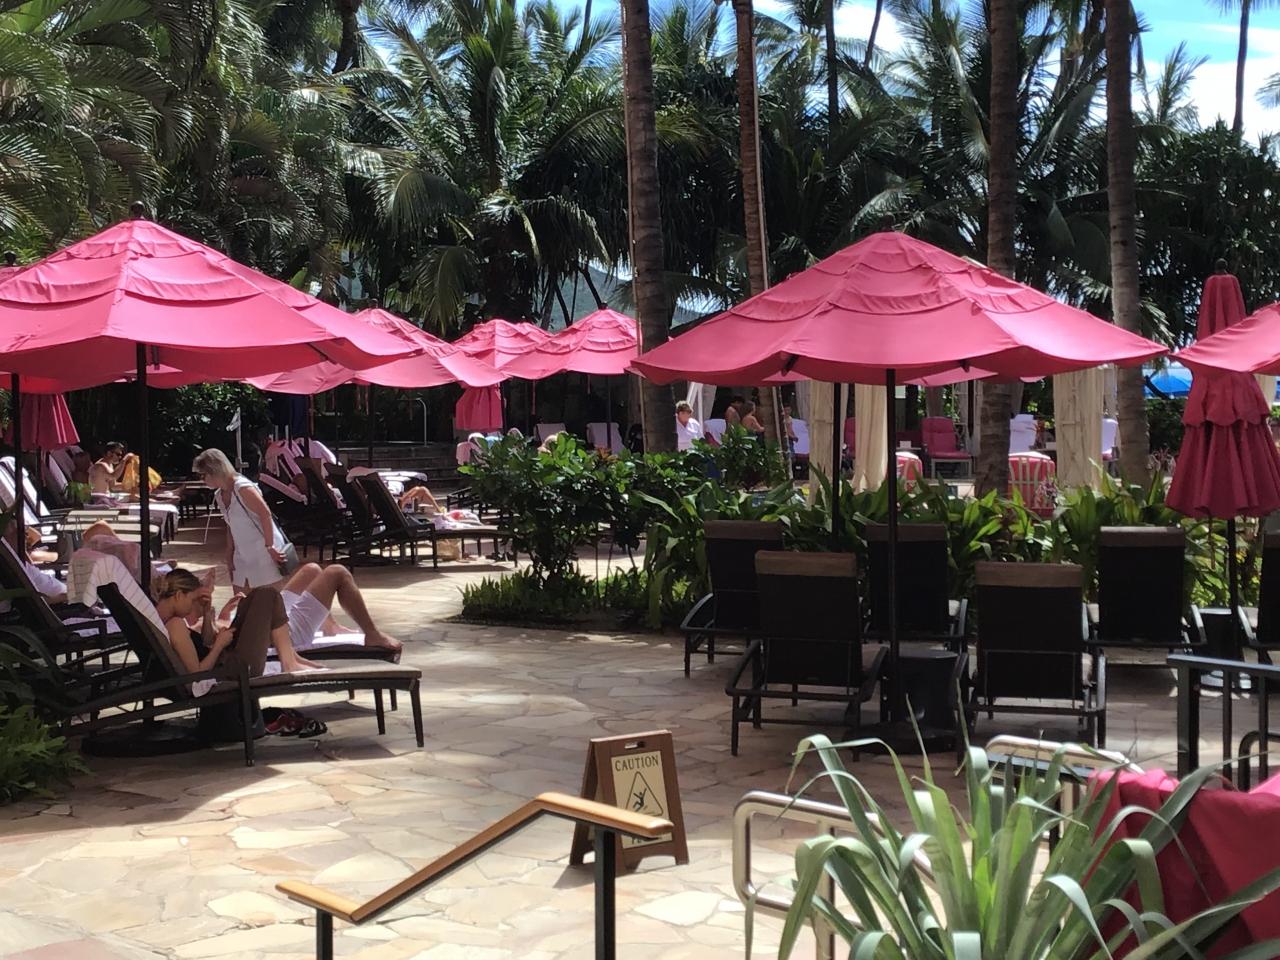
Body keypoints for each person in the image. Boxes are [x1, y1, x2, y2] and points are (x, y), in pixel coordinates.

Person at [152, 568, 323, 677]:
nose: (192, 607)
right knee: (267, 595)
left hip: (227, 661)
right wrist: (219, 645)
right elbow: (197, 674)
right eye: (192, 600)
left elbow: (204, 643)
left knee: (256, 596)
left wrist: (206, 612)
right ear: (178, 595)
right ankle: (289, 662)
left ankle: (290, 658)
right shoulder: (175, 625)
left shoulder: (164, 622)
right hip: (234, 671)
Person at [215, 562, 402, 657]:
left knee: (311, 570)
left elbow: (219, 630)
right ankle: (372, 634)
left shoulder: (199, 617)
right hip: (280, 634)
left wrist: (223, 615)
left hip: (266, 620)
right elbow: (222, 640)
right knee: (337, 573)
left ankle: (329, 626)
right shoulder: (198, 627)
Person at [193, 447, 289, 590]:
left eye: (202, 475)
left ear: (215, 471)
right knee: (240, 597)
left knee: (268, 597)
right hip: (241, 553)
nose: (201, 480)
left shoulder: (243, 487)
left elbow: (265, 514)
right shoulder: (219, 495)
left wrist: (270, 546)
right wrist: (229, 552)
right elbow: (230, 525)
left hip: (263, 550)